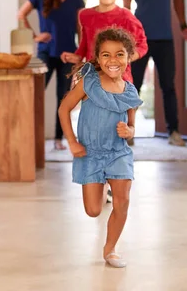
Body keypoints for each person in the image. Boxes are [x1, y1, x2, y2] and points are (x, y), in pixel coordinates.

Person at [58, 28, 142, 268]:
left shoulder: (130, 91)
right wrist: (72, 142)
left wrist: (130, 131)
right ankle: (102, 182)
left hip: (118, 153)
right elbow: (64, 109)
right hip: (89, 153)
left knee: (122, 201)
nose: (113, 60)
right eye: (106, 55)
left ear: (129, 57)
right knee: (93, 210)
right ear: (97, 57)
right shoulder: (89, 83)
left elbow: (132, 125)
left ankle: (111, 248)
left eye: (119, 55)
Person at [123, 0, 187, 147]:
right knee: (132, 87)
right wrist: (126, 39)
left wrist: (184, 26)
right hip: (139, 41)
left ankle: (174, 132)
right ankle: (128, 132)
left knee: (168, 86)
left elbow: (178, 1)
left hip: (165, 38)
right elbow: (126, 10)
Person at [17, 0, 85, 150]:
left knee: (63, 97)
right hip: (45, 53)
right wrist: (35, 37)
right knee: (36, 94)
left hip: (68, 54)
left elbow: (80, 27)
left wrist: (81, 52)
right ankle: (30, 135)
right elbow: (21, 14)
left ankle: (58, 138)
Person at [60, 0, 148, 84]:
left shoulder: (127, 17)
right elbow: (85, 43)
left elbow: (142, 45)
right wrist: (77, 56)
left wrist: (124, 59)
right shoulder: (85, 15)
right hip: (92, 81)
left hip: (120, 82)